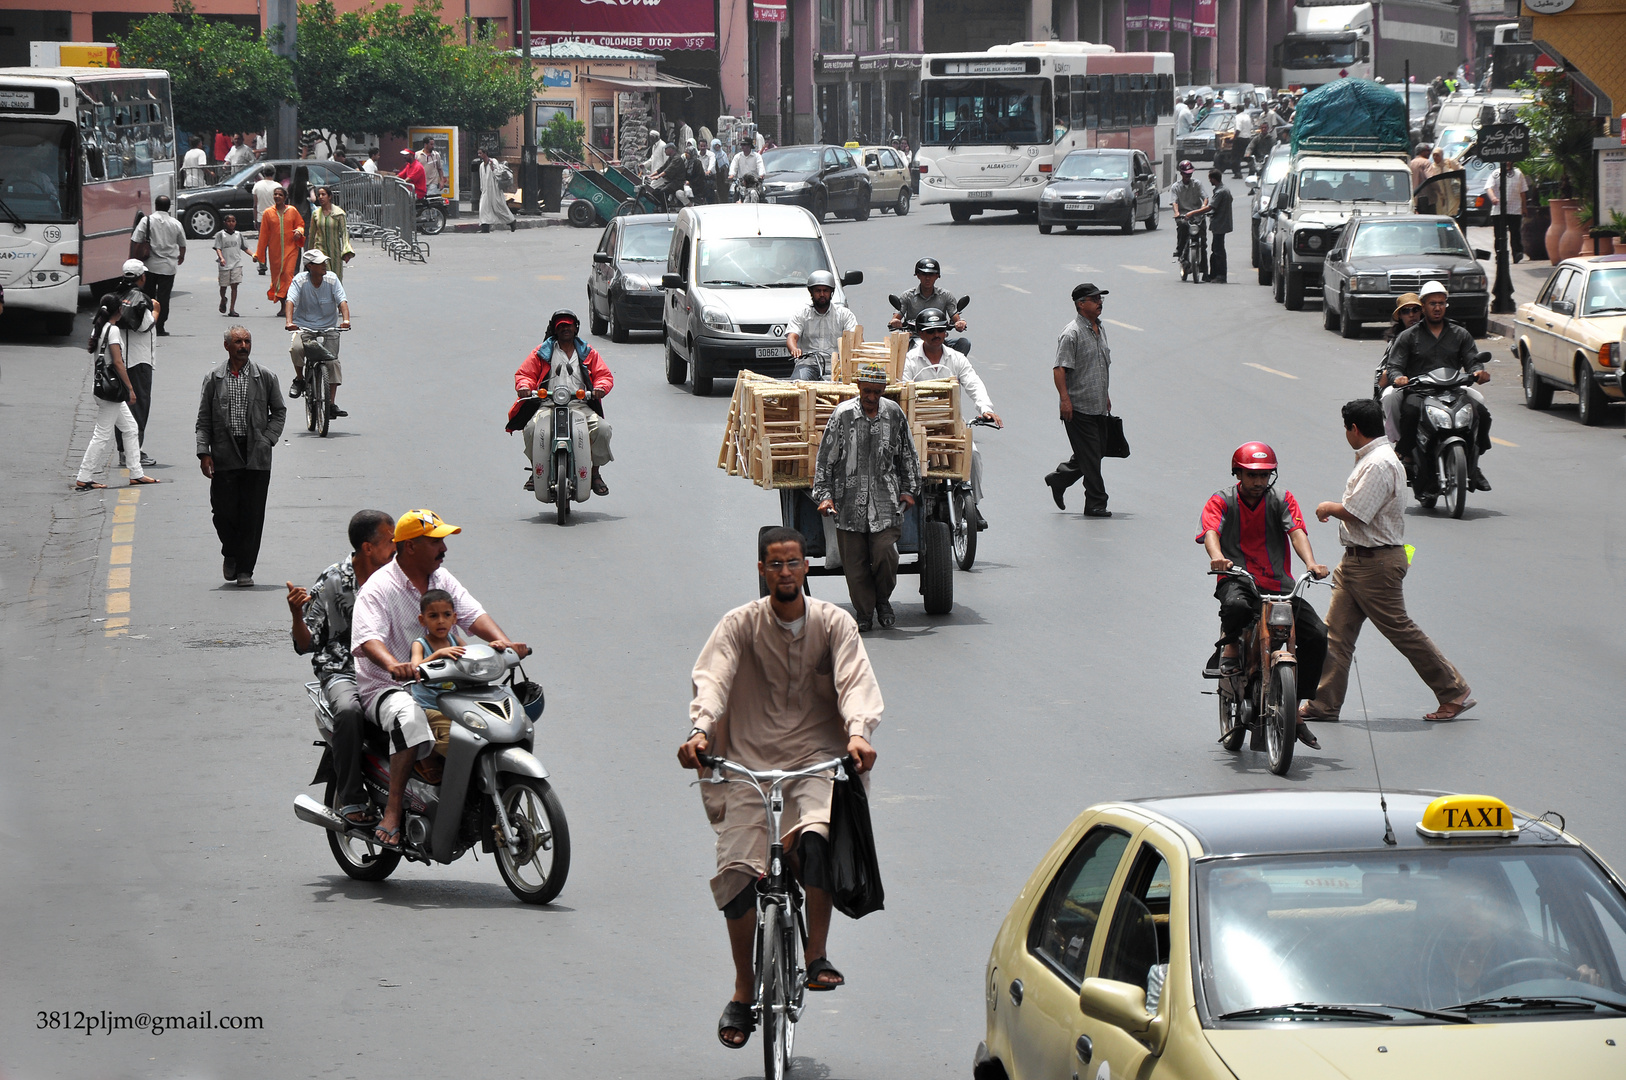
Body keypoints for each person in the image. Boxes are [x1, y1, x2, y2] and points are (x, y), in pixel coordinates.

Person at [677, 526, 881, 1049]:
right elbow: (714, 679)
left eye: (793, 562)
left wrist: (857, 735)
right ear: (762, 571)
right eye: (775, 564)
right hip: (745, 760)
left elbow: (856, 684)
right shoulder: (738, 625)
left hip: (814, 760)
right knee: (737, 876)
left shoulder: (834, 625)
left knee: (815, 839)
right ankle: (743, 991)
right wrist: (700, 731)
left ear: (806, 567)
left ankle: (816, 956)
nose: (785, 572)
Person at [350, 509, 528, 849]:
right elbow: (368, 638)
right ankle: (391, 811)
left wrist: (504, 644)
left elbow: (473, 615)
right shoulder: (379, 588)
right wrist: (394, 665)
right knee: (410, 717)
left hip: (445, 683)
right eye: (436, 541)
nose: (443, 548)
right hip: (390, 686)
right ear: (411, 546)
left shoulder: (442, 580)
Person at [1300, 399, 1476, 725]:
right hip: (1357, 562)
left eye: (1346, 429)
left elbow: (1357, 513)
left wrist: (1327, 507)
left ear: (1354, 429)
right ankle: (1323, 703)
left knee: (1401, 631)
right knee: (1335, 635)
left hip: (1374, 564)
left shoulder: (1377, 464)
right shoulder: (1379, 458)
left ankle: (1453, 690)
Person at [1197, 442, 1329, 749]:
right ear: (1238, 473)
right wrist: (1218, 557)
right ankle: (1230, 646)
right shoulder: (1222, 500)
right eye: (1252, 475)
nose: (1259, 482)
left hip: (1278, 584)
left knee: (1317, 634)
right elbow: (1211, 532)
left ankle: (1294, 708)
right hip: (1238, 578)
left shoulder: (1282, 499)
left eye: (1265, 475)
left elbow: (1297, 531)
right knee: (1236, 606)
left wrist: (1311, 564)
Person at [286, 509, 396, 828]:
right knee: (348, 711)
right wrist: (296, 615)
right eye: (391, 542)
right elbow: (305, 644)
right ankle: (351, 797)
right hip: (343, 669)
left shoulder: (398, 577)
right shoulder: (334, 580)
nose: (397, 549)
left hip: (391, 667)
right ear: (368, 548)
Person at [812, 363, 922, 631]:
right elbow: (826, 459)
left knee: (887, 554)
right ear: (859, 388)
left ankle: (883, 600)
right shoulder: (843, 415)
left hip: (886, 504)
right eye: (866, 391)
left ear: (883, 390)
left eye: (876, 392)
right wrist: (824, 496)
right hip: (848, 505)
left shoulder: (894, 414)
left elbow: (907, 454)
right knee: (855, 565)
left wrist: (909, 490)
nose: (871, 397)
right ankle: (864, 613)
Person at [195, 326, 286, 588]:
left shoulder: (265, 377)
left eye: (247, 341)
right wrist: (204, 453)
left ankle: (245, 569)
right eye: (238, 341)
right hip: (224, 452)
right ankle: (230, 553)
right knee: (222, 512)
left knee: (252, 514)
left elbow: (279, 411)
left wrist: (267, 439)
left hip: (256, 455)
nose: (243, 346)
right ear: (227, 346)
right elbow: (203, 420)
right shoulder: (214, 378)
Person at [1385, 280, 1492, 492]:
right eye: (1432, 303)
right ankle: (1405, 455)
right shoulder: (1408, 336)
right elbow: (1395, 365)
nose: (1437, 308)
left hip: (1453, 390)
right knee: (1411, 411)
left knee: (1481, 414)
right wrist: (1399, 378)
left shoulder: (1460, 333)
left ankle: (1473, 464)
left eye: (1441, 303)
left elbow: (1472, 359)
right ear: (1423, 306)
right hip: (1420, 392)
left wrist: (1478, 371)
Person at [902, 307, 1001, 529]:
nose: (936, 335)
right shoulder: (909, 361)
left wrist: (986, 408)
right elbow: (902, 389)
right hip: (920, 427)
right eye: (930, 331)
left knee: (972, 455)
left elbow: (973, 383)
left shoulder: (956, 359)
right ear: (920, 333)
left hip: (951, 426)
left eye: (940, 331)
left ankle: (971, 503)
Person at [511, 310, 614, 495]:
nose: (566, 329)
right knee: (531, 430)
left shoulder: (588, 352)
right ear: (555, 330)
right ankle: (537, 471)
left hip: (580, 405)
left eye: (569, 325)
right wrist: (525, 386)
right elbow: (525, 374)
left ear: (576, 328)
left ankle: (595, 472)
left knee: (603, 429)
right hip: (548, 404)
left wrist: (600, 388)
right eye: (561, 326)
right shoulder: (542, 352)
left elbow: (604, 375)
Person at [74, 293, 157, 491]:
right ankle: (84, 476)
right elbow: (118, 362)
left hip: (103, 388)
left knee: (130, 428)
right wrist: (130, 388)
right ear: (118, 310)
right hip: (111, 391)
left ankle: (136, 473)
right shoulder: (112, 330)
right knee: (102, 434)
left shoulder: (100, 327)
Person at [1045, 283, 1114, 517]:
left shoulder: (1099, 328)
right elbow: (1059, 369)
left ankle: (1060, 478)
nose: (1099, 303)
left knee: (1096, 450)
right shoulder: (1071, 333)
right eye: (1094, 299)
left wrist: (1105, 395)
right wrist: (1065, 400)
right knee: (1092, 457)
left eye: (1100, 299)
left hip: (1098, 405)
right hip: (1078, 407)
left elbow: (1100, 365)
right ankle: (1096, 503)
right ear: (1080, 304)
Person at [285, 250, 351, 417]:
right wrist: (289, 322)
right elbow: (290, 301)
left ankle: (331, 404)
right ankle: (299, 379)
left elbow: (342, 300)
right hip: (304, 327)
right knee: (296, 348)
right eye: (320, 263)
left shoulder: (332, 279)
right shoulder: (299, 280)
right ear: (309, 266)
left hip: (329, 327)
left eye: (324, 262)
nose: (324, 265)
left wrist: (346, 320)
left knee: (333, 362)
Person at [113, 260, 158, 468]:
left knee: (122, 407)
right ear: (142, 277)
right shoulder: (141, 299)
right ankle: (134, 453)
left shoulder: (116, 295)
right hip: (139, 361)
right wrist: (156, 310)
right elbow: (145, 325)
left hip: (120, 358)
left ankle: (124, 451)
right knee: (139, 406)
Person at [786, 270, 858, 381]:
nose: (822, 294)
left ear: (832, 292)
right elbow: (792, 336)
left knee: (848, 390)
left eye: (825, 291)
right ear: (811, 292)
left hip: (836, 366)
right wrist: (794, 349)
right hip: (807, 364)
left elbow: (855, 338)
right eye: (818, 291)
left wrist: (854, 344)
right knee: (797, 385)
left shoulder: (844, 314)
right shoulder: (802, 313)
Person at [132, 195, 185, 336]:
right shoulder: (175, 223)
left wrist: (135, 259)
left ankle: (147, 323)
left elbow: (136, 241)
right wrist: (181, 256)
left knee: (148, 296)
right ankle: (160, 326)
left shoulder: (146, 220)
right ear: (169, 207)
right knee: (164, 298)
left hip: (149, 266)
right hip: (168, 267)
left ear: (155, 206)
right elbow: (182, 244)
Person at [889, 257, 969, 346]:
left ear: (937, 276)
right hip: (914, 339)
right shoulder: (907, 296)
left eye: (931, 274)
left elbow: (955, 316)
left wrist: (960, 323)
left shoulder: (946, 295)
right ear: (918, 275)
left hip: (938, 339)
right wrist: (895, 322)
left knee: (964, 343)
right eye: (924, 274)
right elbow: (896, 317)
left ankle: (953, 360)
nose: (927, 278)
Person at [1377, 293, 1424, 439]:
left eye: (1415, 310)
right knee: (1390, 396)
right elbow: (1382, 379)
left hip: (1437, 382)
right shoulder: (1397, 341)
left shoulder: (1437, 332)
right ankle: (1400, 441)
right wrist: (1396, 376)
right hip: (1407, 385)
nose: (1411, 315)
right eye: (1406, 311)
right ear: (1400, 316)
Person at [254, 185, 305, 318]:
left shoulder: (292, 211)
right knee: (278, 279)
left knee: (288, 275)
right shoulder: (268, 213)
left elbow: (300, 224)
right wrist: (259, 254)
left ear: (285, 197)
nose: (277, 196)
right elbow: (263, 235)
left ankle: (288, 306)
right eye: (275, 194)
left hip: (291, 249)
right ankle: (284, 306)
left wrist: (299, 232)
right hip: (275, 252)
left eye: (280, 195)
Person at [304, 186, 355, 279]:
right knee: (323, 275)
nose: (320, 197)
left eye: (323, 194)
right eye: (319, 195)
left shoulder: (339, 213)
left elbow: (344, 233)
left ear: (329, 196)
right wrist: (309, 253)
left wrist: (346, 251)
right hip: (320, 249)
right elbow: (311, 235)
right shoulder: (316, 214)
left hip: (334, 250)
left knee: (336, 278)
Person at [1487, 161, 1527, 263]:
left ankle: (1517, 253)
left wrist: (1524, 207)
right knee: (1499, 234)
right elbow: (1489, 188)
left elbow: (1522, 192)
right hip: (1498, 210)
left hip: (1515, 209)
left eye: (1509, 161)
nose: (1507, 163)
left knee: (1515, 233)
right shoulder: (1495, 174)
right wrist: (1493, 198)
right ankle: (1500, 255)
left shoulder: (1518, 174)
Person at [1171, 160, 1206, 270]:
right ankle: (1180, 250)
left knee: (1203, 243)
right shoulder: (1176, 187)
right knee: (1182, 229)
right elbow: (1174, 202)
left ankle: (1204, 270)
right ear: (1181, 173)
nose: (1188, 176)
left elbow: (1205, 197)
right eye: (1186, 174)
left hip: (1198, 216)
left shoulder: (1197, 184)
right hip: (1184, 216)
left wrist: (1203, 207)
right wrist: (1177, 213)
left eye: (1190, 174)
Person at [1202, 169, 1233, 283]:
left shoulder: (1220, 192)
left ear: (1213, 179)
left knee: (1218, 251)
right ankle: (1213, 274)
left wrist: (1194, 213)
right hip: (1220, 223)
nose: (1209, 180)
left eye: (1210, 178)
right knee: (1215, 248)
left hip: (1220, 224)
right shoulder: (1224, 190)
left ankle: (1220, 275)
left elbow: (1211, 207)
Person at [213, 213, 246, 317]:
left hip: (237, 263)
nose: (231, 223)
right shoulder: (220, 235)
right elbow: (218, 248)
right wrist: (221, 258)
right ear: (225, 222)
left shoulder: (238, 235)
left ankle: (232, 308)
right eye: (228, 221)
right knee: (223, 286)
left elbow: (244, 247)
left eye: (233, 221)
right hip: (225, 264)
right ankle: (223, 299)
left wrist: (254, 255)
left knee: (234, 286)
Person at [476, 149, 517, 233]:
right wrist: (482, 189)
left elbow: (499, 174)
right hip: (485, 191)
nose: (479, 155)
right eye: (478, 153)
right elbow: (481, 178)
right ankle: (485, 227)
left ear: (485, 153)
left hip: (495, 189)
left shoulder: (493, 161)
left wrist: (492, 169)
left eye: (480, 153)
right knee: (483, 208)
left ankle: (511, 221)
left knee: (499, 208)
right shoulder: (481, 166)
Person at [1231, 107, 1255, 177]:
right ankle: (1252, 171)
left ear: (1237, 110)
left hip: (1239, 139)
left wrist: (1233, 138)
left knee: (1235, 157)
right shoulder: (1247, 116)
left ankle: (1237, 173)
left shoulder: (1238, 117)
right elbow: (1251, 127)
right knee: (1247, 156)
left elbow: (1238, 129)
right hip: (1247, 138)